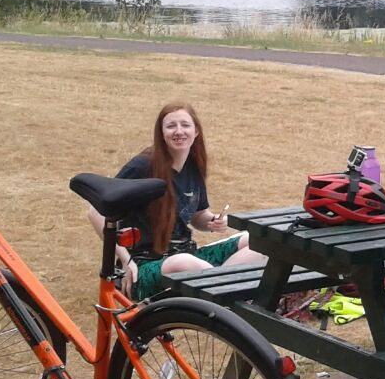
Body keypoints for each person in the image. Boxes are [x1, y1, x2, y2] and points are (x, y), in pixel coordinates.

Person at [90, 102, 263, 300]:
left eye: (185, 125)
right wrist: (125, 260)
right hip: (145, 266)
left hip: (188, 254)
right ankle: (225, 293)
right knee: (183, 263)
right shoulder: (142, 166)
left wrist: (212, 221)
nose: (179, 131)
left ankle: (218, 288)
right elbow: (96, 211)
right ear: (161, 133)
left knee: (257, 241)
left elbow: (198, 216)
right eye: (171, 126)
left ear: (196, 131)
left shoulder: (193, 165)